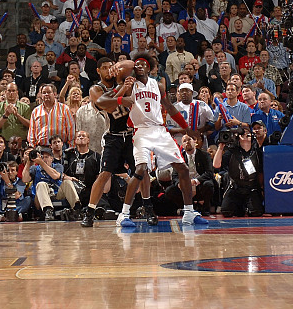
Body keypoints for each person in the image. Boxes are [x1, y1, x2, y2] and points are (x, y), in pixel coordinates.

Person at [118, 52, 203, 227]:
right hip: (141, 131)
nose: (139, 66)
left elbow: (170, 108)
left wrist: (186, 127)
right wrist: (130, 65)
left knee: (183, 168)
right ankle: (124, 214)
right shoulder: (130, 84)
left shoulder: (158, 85)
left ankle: (189, 212)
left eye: (143, 64)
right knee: (140, 170)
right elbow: (121, 75)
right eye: (136, 64)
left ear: (149, 67)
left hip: (160, 130)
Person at [81, 57, 138, 227]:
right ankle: (89, 212)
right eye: (105, 68)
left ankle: (147, 208)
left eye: (110, 67)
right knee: (105, 174)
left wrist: (118, 66)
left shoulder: (119, 79)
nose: (109, 70)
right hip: (113, 136)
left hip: (131, 135)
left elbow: (132, 64)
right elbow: (109, 107)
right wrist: (123, 90)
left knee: (141, 171)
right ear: (98, 71)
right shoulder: (96, 89)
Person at [212, 126, 264, 216]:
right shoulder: (231, 152)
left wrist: (261, 188)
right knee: (226, 212)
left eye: (248, 133)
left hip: (251, 187)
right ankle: (240, 208)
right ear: (238, 137)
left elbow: (261, 172)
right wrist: (220, 148)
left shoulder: (257, 153)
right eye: (243, 133)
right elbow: (216, 165)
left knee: (256, 212)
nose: (246, 134)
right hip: (235, 187)